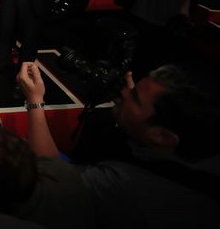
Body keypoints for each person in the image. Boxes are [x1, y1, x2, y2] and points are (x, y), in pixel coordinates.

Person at [16, 61, 220, 228]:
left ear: (162, 136)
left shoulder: (125, 185)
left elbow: (52, 175)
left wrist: (34, 100)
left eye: (135, 97)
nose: (123, 92)